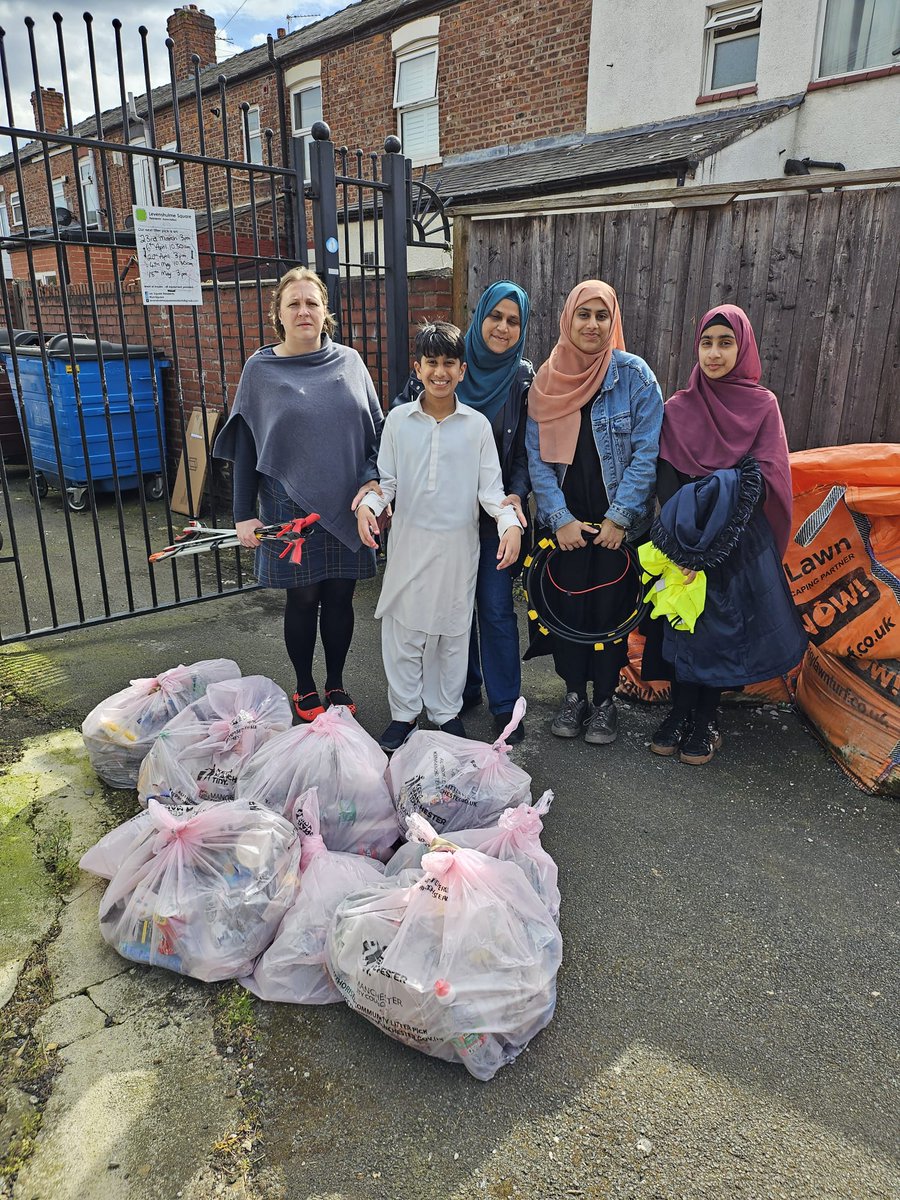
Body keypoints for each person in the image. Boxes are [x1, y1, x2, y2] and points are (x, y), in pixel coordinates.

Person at [213, 266, 383, 723]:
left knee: (342, 598)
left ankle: (337, 682)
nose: (304, 310)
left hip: (349, 505)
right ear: (279, 315)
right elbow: (246, 445)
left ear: (325, 312)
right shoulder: (260, 370)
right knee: (304, 599)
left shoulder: (349, 361)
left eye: (312, 302)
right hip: (288, 507)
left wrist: (373, 486)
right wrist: (242, 514)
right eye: (294, 304)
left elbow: (377, 433)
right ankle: (305, 685)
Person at [645, 303, 807, 765]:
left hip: (736, 539)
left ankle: (706, 718)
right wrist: (683, 540)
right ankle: (679, 712)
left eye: (725, 342)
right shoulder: (679, 407)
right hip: (683, 537)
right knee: (681, 625)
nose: (714, 353)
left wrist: (719, 532)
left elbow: (769, 475)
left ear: (744, 347)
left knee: (720, 632)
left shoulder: (762, 406)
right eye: (706, 343)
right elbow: (666, 474)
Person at [356, 321, 523, 753]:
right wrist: (367, 508)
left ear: (462, 370)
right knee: (404, 635)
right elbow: (386, 483)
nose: (440, 372)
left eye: (449, 363)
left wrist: (510, 525)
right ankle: (403, 715)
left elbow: (491, 491)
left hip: (457, 553)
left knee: (451, 637)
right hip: (410, 549)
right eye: (432, 363)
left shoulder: (476, 427)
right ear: (418, 367)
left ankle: (446, 713)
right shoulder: (398, 421)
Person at [387, 281, 533, 743]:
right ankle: (420, 708)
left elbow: (511, 466)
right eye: (496, 316)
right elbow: (391, 463)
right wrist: (371, 496)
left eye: (514, 320)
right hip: (416, 537)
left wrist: (513, 512)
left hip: (475, 528)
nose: (504, 327)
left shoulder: (515, 386)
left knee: (479, 613)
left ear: (462, 369)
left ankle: (492, 706)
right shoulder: (405, 414)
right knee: (410, 626)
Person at [525, 280, 663, 744]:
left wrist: (619, 518)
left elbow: (647, 453)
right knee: (567, 608)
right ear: (568, 319)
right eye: (582, 314)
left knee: (610, 611)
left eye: (601, 315)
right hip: (567, 524)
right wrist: (559, 517)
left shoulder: (635, 377)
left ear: (613, 322)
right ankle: (572, 694)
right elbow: (536, 458)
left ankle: (604, 701)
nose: (591, 324)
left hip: (613, 527)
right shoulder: (546, 380)